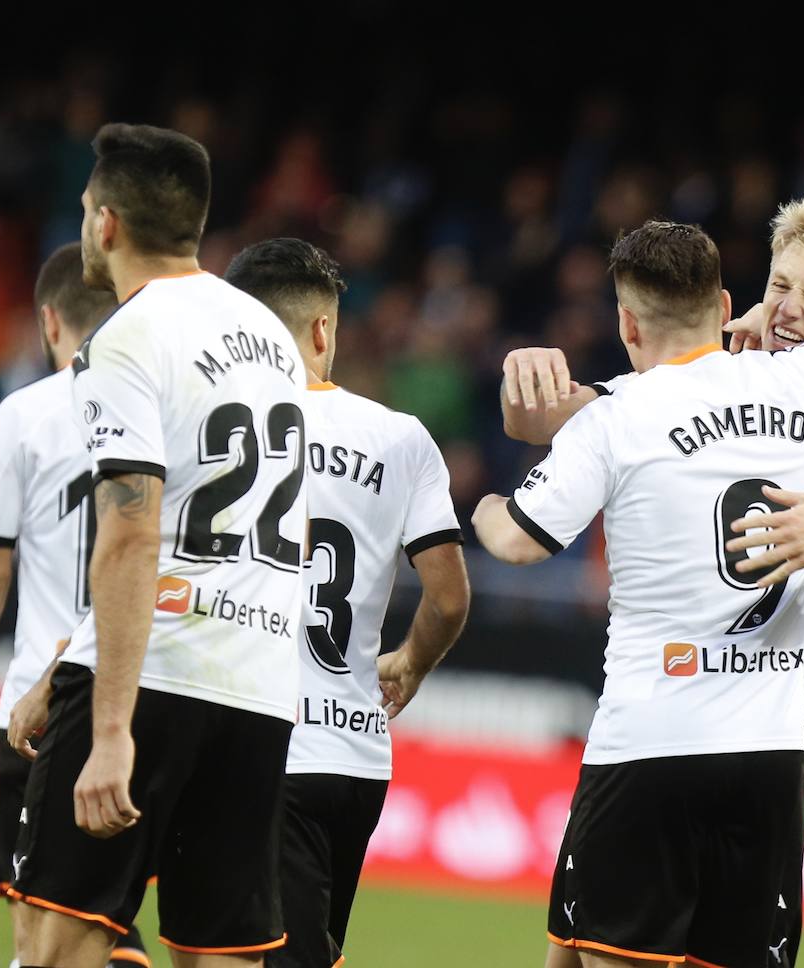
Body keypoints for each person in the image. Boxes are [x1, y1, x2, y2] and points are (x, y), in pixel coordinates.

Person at [500, 194, 804, 965]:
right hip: (670, 731)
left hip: (750, 732)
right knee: (568, 952)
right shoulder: (708, 376)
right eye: (780, 286)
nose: (789, 310)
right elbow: (557, 421)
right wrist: (525, 373)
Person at [8, 123, 311, 968]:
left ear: (105, 225)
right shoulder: (270, 342)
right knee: (224, 952)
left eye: (82, 212)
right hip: (256, 687)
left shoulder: (124, 340)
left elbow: (137, 534)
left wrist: (108, 728)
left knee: (57, 938)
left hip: (156, 677)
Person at [223, 238, 471, 968]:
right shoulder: (401, 438)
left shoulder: (221, 431)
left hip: (260, 747)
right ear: (324, 330)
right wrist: (412, 664)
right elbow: (450, 597)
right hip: (356, 756)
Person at [0, 244, 153, 968]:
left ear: (49, 319)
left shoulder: (25, 413)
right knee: (107, 918)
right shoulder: (161, 406)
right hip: (148, 693)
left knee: (43, 931)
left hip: (45, 704)